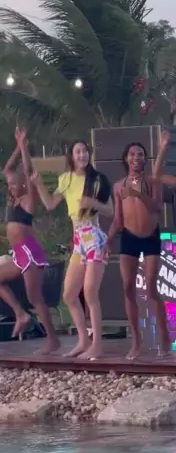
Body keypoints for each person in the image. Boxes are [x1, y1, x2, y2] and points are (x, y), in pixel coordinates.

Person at [33, 140, 113, 359]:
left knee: (90, 293)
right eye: (78, 152)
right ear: (71, 155)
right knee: (69, 295)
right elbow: (50, 204)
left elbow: (111, 211)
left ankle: (97, 345)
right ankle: (83, 340)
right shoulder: (66, 179)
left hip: (94, 237)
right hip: (78, 240)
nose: (82, 155)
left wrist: (93, 203)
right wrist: (38, 184)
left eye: (85, 151)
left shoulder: (98, 180)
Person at [106, 133, 170, 360]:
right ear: (126, 158)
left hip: (150, 235)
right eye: (132, 154)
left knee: (151, 287)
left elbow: (157, 207)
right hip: (129, 237)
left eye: (140, 154)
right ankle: (136, 340)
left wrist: (136, 194)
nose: (136, 158)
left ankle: (164, 337)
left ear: (145, 158)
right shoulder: (118, 186)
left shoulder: (151, 181)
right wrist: (108, 239)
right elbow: (118, 219)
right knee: (127, 287)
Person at [0, 127, 60, 353]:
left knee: (36, 298)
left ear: (24, 184)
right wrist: (17, 146)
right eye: (10, 185)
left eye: (15, 184)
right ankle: (20, 314)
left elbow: (26, 169)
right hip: (18, 254)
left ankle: (52, 339)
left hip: (29, 252)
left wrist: (24, 148)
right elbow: (7, 169)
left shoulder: (28, 199)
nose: (11, 187)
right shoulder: (12, 200)